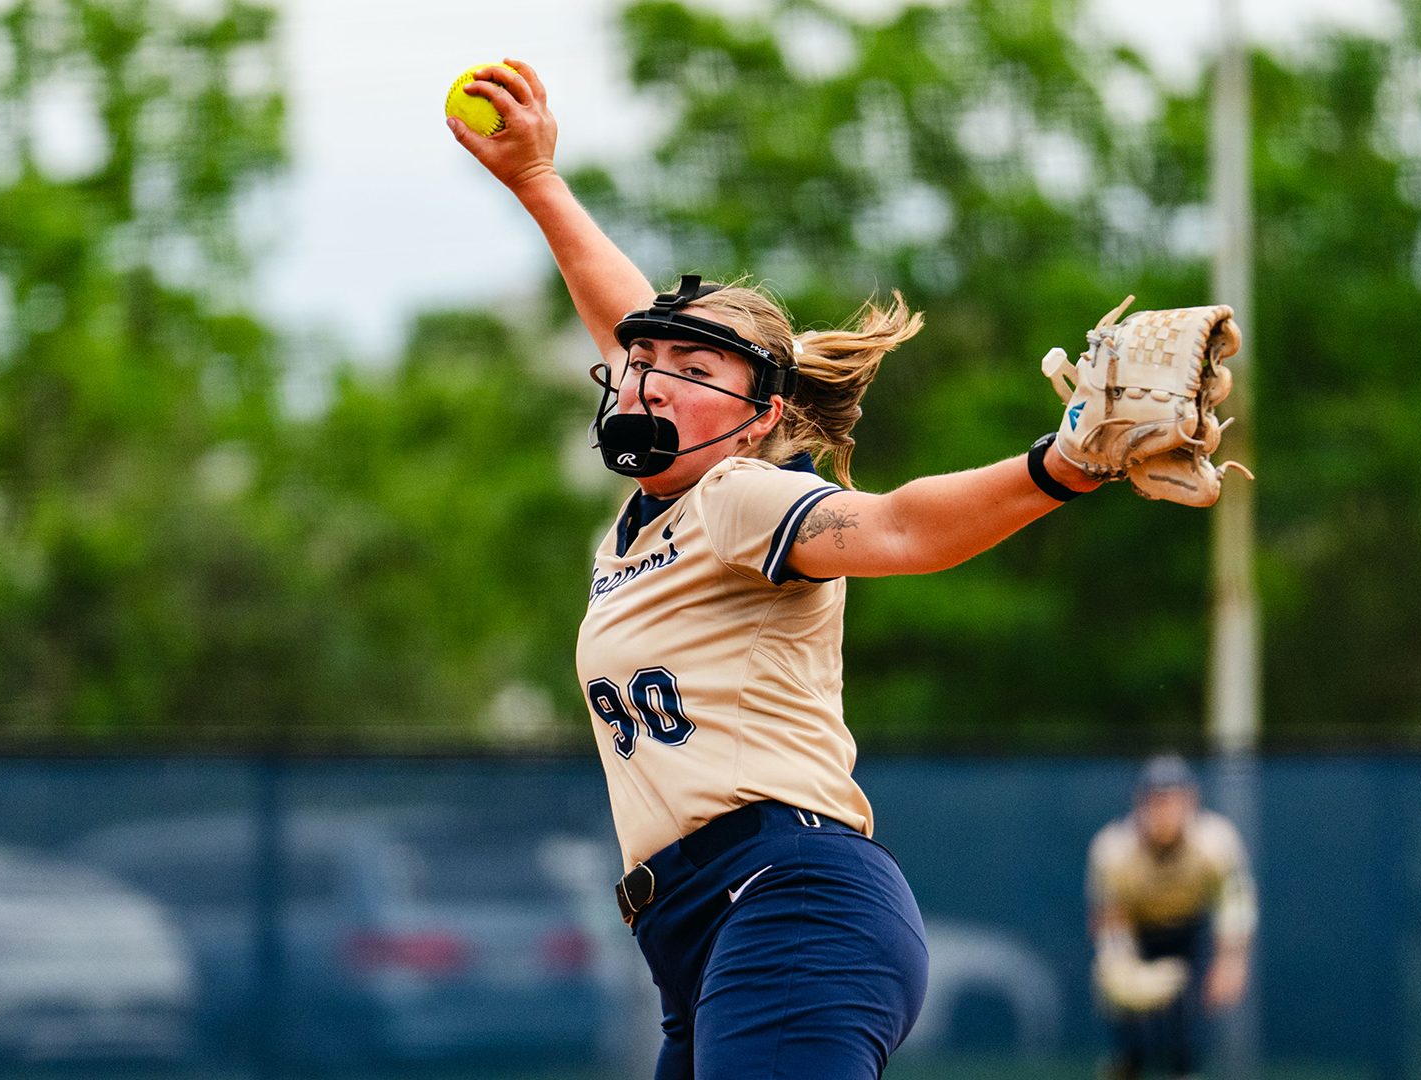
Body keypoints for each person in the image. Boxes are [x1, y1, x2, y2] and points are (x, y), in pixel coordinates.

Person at [447, 61, 1106, 1080]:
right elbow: (647, 333)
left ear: (759, 424)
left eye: (696, 371)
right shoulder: (658, 506)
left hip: (788, 901)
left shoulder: (738, 497)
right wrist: (538, 181)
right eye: (639, 361)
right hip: (702, 936)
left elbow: (896, 531)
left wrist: (1060, 466)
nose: (649, 376)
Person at [1086, 755, 1258, 1080]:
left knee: (1183, 1037)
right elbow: (1109, 915)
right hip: (1136, 935)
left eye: (1172, 800)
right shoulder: (1113, 849)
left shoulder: (1216, 841)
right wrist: (1118, 963)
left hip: (1187, 933)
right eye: (1156, 800)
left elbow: (1234, 902)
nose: (1164, 811)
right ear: (1140, 803)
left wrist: (1231, 959)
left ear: (1191, 800)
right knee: (1133, 1043)